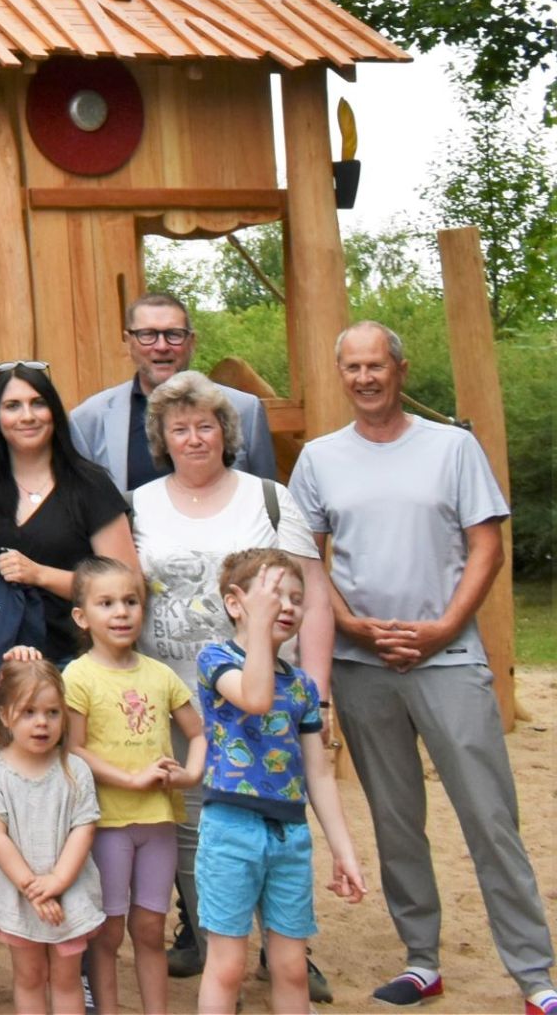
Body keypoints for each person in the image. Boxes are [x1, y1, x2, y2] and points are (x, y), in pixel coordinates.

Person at [290, 321, 557, 1015]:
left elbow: (486, 547)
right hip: (361, 661)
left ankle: (534, 974)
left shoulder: (452, 448)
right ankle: (422, 961)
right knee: (395, 817)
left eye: (376, 365)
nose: (365, 378)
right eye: (352, 367)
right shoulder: (320, 458)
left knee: (489, 815)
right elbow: (305, 558)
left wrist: (442, 629)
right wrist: (348, 624)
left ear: (400, 370)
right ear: (341, 373)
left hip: (450, 657)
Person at [130, 368, 330, 985]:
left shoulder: (268, 497)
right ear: (162, 438)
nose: (194, 438)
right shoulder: (136, 504)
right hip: (175, 696)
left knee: (274, 819)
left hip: (267, 701)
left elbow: (316, 597)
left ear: (226, 431)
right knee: (196, 829)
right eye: (179, 428)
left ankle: (285, 951)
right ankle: (217, 947)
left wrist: (319, 697)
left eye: (206, 425)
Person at [194, 548, 364, 1015]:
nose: (287, 606)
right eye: (274, 596)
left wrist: (343, 851)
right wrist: (260, 639)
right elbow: (254, 696)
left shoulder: (305, 687)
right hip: (231, 830)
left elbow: (319, 773)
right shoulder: (214, 659)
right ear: (235, 603)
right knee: (226, 967)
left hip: (290, 836)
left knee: (291, 968)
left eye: (296, 598)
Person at [62, 555, 205, 1015]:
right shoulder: (77, 676)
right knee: (107, 932)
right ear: (82, 617)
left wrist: (191, 774)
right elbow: (74, 748)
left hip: (159, 820)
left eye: (130, 601)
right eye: (107, 603)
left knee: (149, 929)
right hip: (106, 822)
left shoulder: (159, 673)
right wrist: (129, 778)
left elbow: (199, 732)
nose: (121, 612)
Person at [0, 360, 137, 663]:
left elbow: (128, 584)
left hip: (75, 662)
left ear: (54, 412)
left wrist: (39, 574)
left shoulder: (90, 485)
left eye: (38, 403)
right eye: (13, 406)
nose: (27, 416)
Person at [0, 660, 107, 1015]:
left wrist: (58, 881)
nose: (42, 722)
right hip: (19, 895)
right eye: (28, 712)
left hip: (69, 894)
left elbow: (83, 828)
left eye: (52, 712)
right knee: (29, 977)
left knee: (67, 979)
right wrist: (33, 887)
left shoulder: (75, 770)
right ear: (4, 714)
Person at [69, 293, 276, 491]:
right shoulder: (88, 421)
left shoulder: (245, 410)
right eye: (147, 335)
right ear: (129, 342)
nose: (161, 346)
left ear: (191, 341)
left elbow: (267, 503)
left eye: (173, 334)